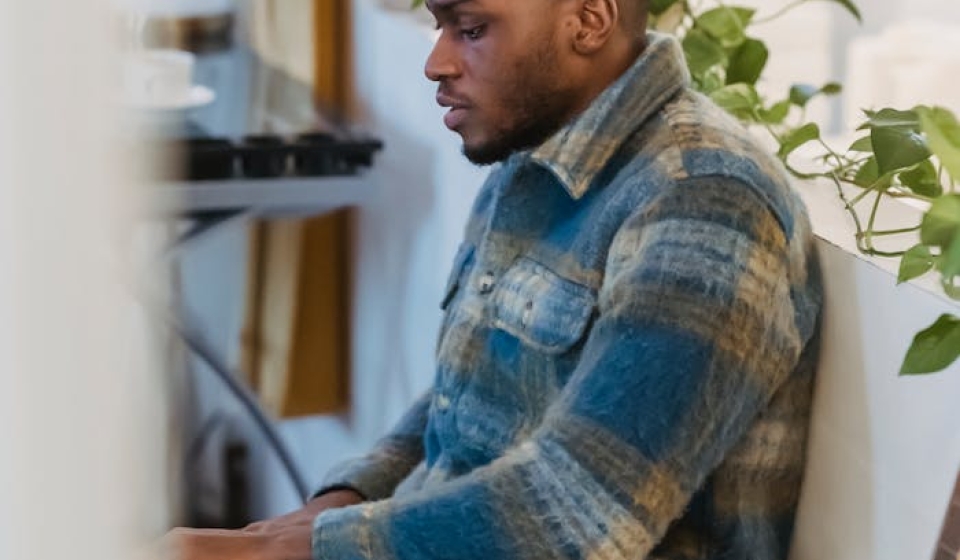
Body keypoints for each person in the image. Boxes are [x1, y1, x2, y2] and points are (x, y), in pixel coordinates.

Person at [166, 0, 822, 558]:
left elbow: (580, 514)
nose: (436, 63)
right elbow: (462, 403)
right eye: (440, 26)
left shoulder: (706, 200)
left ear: (589, 19)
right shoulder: (536, 148)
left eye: (472, 29)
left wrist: (289, 550)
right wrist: (334, 506)